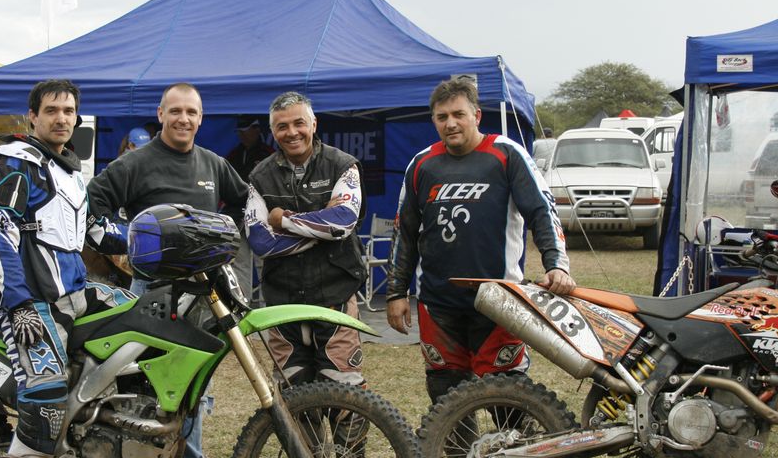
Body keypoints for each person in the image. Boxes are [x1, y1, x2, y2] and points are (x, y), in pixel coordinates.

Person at [87, 82, 246, 458]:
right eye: (175, 111)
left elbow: (246, 203)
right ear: (161, 114)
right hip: (151, 295)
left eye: (191, 112)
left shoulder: (213, 165)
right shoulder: (135, 163)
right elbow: (92, 204)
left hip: (202, 295)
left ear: (201, 118)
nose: (183, 119)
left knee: (191, 389)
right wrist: (128, 242)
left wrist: (230, 237)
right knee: (142, 391)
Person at [0, 79, 132, 458]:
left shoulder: (67, 169)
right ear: (33, 117)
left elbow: (95, 231)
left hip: (75, 293)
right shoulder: (18, 164)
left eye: (68, 111)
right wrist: (19, 304)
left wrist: (153, 241)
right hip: (33, 302)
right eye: (51, 110)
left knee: (143, 320)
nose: (61, 118)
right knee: (45, 395)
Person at [386, 77, 575, 405]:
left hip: (498, 300)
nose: (450, 123)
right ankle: (459, 443)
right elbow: (405, 231)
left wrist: (556, 265)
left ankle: (514, 440)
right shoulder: (421, 164)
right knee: (446, 397)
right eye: (442, 117)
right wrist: (395, 292)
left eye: (458, 114)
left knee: (507, 397)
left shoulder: (506, 154)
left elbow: (542, 212)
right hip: (438, 303)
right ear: (434, 121)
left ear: (476, 116)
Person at [245, 91, 367, 386]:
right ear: (272, 131)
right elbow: (260, 242)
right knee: (292, 390)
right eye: (282, 126)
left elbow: (342, 222)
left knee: (343, 388)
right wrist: (322, 230)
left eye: (299, 123)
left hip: (335, 295)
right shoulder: (259, 176)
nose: (292, 132)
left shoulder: (343, 165)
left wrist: (283, 220)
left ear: (314, 124)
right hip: (282, 301)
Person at [225, 115, 273, 300]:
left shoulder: (269, 154)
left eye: (246, 132)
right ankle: (242, 307)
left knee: (265, 263)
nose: (242, 136)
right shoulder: (233, 155)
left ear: (256, 130)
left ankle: (268, 308)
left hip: (263, 217)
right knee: (240, 265)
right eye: (240, 132)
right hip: (238, 217)